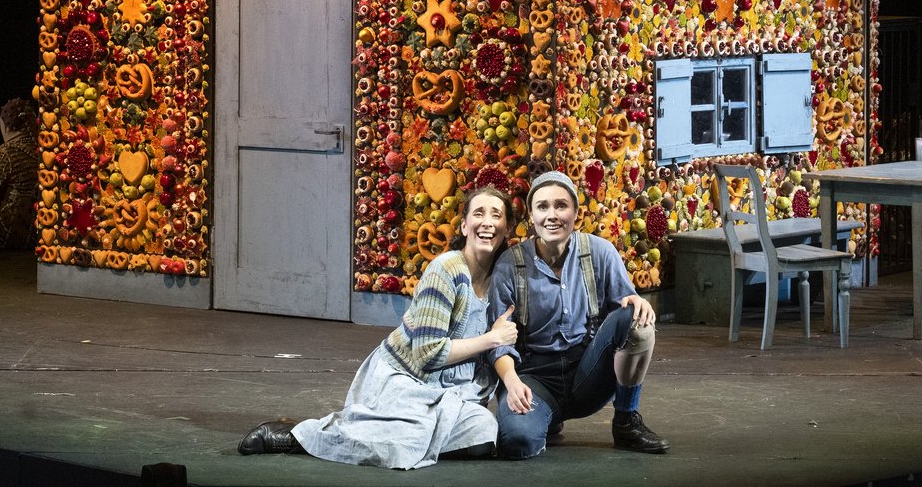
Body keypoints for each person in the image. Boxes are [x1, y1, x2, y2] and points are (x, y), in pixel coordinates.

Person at [237, 184, 516, 468]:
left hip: (456, 391)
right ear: (465, 226)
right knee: (411, 435)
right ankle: (301, 435)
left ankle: (402, 435)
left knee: (482, 434)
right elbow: (428, 353)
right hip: (408, 379)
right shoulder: (446, 270)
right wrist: (490, 339)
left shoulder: (500, 279)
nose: (488, 222)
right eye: (479, 213)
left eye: (497, 215)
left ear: (506, 229)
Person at [487, 170, 668, 459]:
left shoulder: (599, 252)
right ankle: (547, 417)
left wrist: (635, 300)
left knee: (636, 318)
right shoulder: (510, 265)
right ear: (531, 216)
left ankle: (626, 421)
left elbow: (623, 312)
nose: (552, 215)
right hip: (535, 377)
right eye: (543, 207)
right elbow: (498, 341)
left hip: (588, 372)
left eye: (561, 206)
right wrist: (511, 383)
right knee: (517, 442)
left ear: (575, 212)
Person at [0, 97, 39, 250]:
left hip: (7, 236)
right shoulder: (46, 152)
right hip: (37, 235)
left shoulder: (6, 153)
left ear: (6, 127)